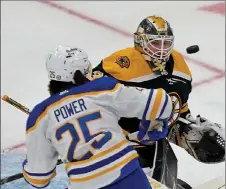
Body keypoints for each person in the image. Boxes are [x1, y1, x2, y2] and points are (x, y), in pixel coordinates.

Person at [22, 45, 173, 189]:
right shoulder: (102, 89)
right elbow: (161, 102)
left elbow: (38, 179)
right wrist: (151, 126)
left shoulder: (40, 116)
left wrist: (34, 163)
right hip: (127, 175)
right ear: (78, 74)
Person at [93, 15, 225, 165]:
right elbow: (87, 95)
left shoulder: (179, 66)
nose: (162, 50)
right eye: (155, 43)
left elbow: (177, 109)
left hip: (151, 145)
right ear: (140, 42)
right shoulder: (123, 63)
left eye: (166, 43)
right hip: (114, 143)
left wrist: (189, 130)